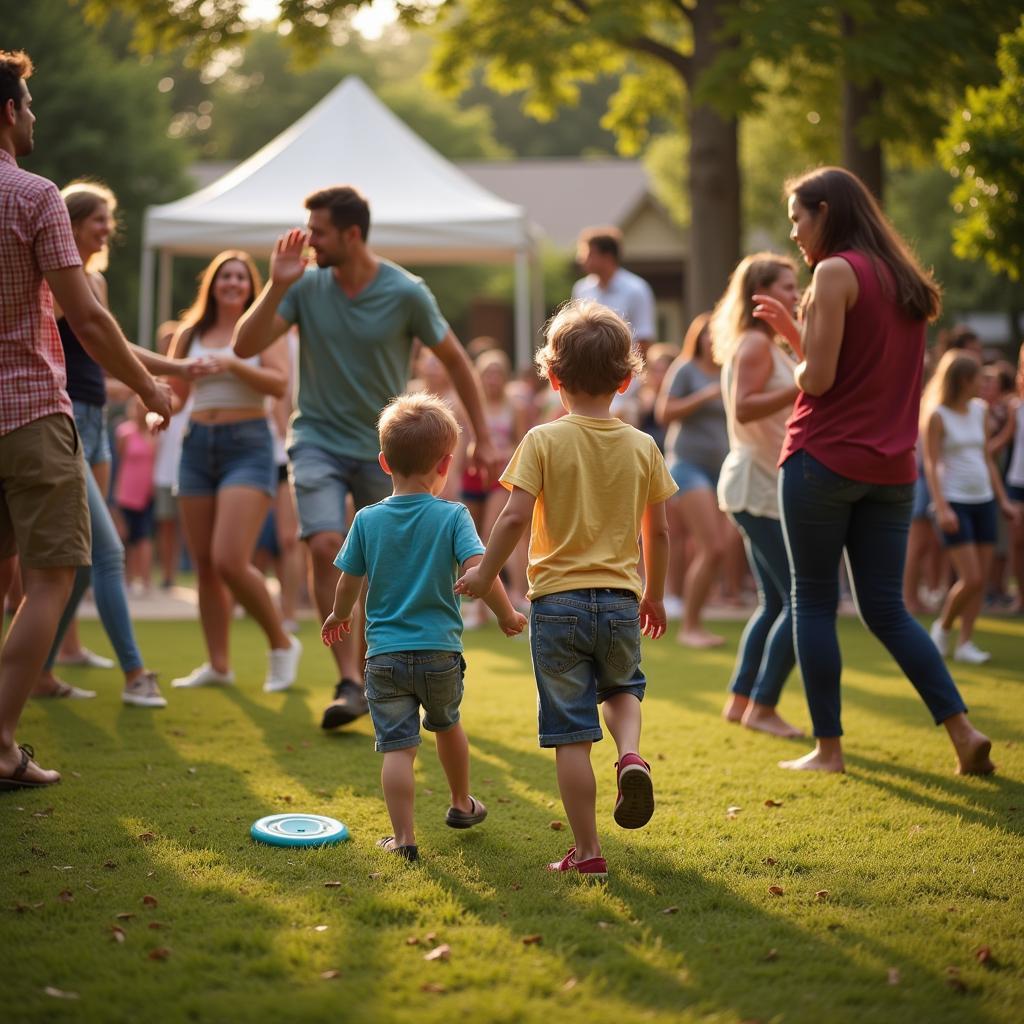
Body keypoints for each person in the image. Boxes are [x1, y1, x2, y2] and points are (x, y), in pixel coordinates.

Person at [753, 165, 994, 775]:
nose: (796, 237)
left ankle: (828, 750)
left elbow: (821, 380)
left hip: (821, 459)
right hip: (892, 469)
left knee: (812, 599)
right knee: (888, 609)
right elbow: (865, 368)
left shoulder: (834, 273)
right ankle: (962, 732)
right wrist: (800, 332)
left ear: (825, 213)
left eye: (798, 221)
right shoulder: (905, 279)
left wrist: (792, 339)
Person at [234, 185, 499, 730]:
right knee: (327, 543)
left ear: (352, 235)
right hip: (315, 439)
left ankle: (394, 672)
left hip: (387, 451)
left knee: (389, 566)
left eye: (320, 231)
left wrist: (481, 435)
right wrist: (276, 286)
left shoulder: (406, 292)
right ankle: (350, 682)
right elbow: (242, 345)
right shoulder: (304, 287)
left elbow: (455, 358)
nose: (308, 240)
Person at [456, 300, 676, 880]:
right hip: (623, 598)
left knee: (571, 735)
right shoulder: (643, 446)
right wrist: (653, 594)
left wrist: (485, 575)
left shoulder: (542, 440)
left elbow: (511, 520)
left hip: (557, 604)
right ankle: (631, 753)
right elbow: (659, 529)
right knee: (623, 687)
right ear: (627, 379)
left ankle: (588, 851)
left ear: (553, 379)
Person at [0, 51, 172, 788]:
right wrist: (152, 388)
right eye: (29, 104)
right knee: (51, 580)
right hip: (31, 412)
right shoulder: (33, 196)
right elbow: (90, 318)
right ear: (9, 111)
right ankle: (3, 746)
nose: (35, 115)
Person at [321, 394, 525, 861]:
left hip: (384, 656)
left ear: (383, 461)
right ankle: (460, 802)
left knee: (398, 749)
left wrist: (340, 613)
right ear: (446, 464)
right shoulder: (453, 515)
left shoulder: (367, 520)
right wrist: (507, 614)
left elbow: (349, 581)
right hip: (439, 654)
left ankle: (405, 839)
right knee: (447, 724)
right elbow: (480, 572)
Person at [168, 251, 302, 694]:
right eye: (224, 276)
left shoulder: (264, 329)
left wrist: (232, 363)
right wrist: (157, 412)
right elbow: (176, 393)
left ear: (251, 285)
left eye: (240, 277)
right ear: (212, 282)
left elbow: (279, 384)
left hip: (248, 444)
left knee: (229, 559)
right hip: (196, 447)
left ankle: (282, 643)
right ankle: (219, 664)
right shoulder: (191, 332)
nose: (232, 283)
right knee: (205, 564)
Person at [712, 253, 804, 737]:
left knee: (774, 601)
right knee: (800, 599)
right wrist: (801, 388)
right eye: (787, 286)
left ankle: (740, 700)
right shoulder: (754, 344)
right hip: (757, 483)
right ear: (761, 295)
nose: (796, 293)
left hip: (761, 482)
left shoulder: (767, 344)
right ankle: (762, 706)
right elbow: (745, 410)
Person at [922, 352, 1019, 662]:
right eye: (979, 376)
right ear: (963, 380)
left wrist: (1002, 500)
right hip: (955, 503)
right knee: (973, 577)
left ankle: (965, 644)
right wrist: (941, 505)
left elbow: (986, 459)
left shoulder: (979, 411)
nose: (985, 381)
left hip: (984, 502)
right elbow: (932, 463)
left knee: (982, 579)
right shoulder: (938, 415)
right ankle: (943, 627)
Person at [656, 315, 733, 647]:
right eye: (709, 335)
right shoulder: (686, 370)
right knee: (711, 546)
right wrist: (705, 396)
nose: (714, 340)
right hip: (688, 465)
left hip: (723, 468)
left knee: (718, 549)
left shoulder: (731, 369)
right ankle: (690, 626)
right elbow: (664, 412)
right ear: (698, 338)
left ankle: (695, 621)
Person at [571, 227, 657, 353]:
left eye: (588, 253)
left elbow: (643, 338)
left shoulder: (636, 289)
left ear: (607, 257)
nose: (581, 258)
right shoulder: (581, 289)